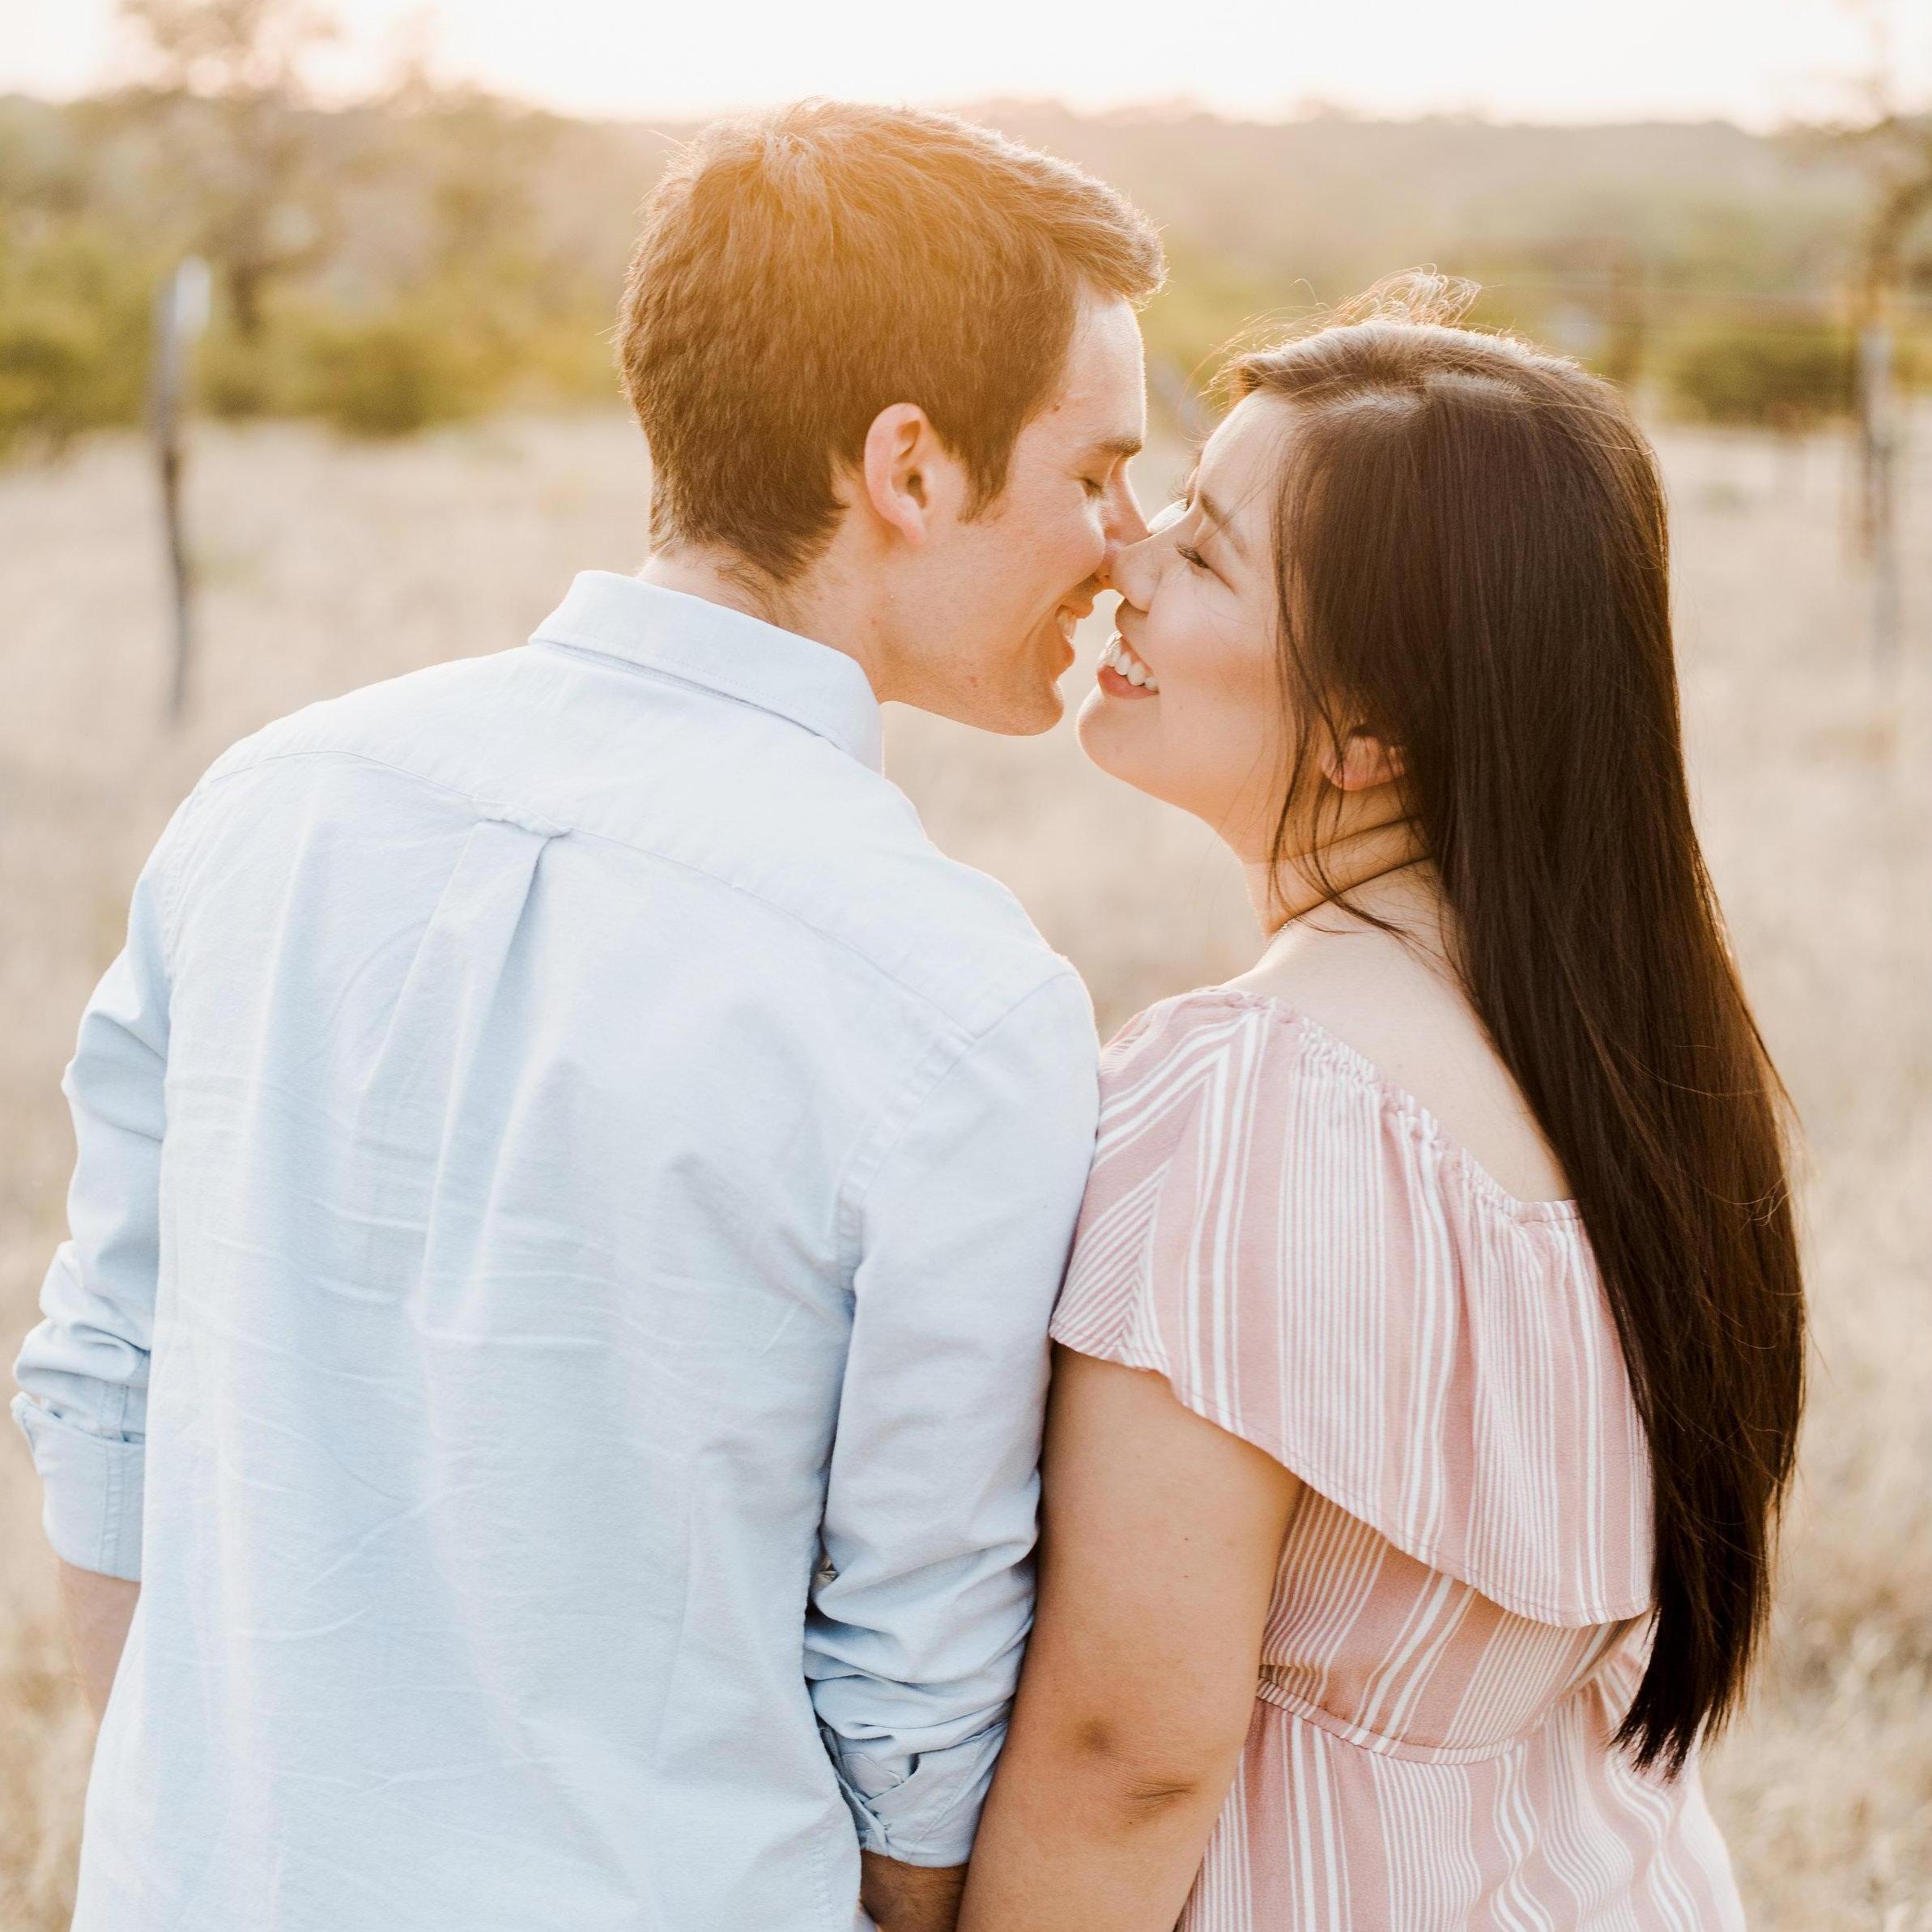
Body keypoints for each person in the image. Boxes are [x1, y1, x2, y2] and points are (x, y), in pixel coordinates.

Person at [11, 102, 1160, 1932]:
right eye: (1095, 469)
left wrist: (221, 1835)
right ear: (910, 467)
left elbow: (100, 1393)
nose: (1127, 540)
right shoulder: (955, 1001)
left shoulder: (268, 799)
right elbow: (915, 1682)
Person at [958, 285, 1807, 1931]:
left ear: (1366, 732)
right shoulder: (1641, 1071)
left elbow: (1124, 1746)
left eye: (1201, 550)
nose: (1120, 556)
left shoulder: (1254, 1095)